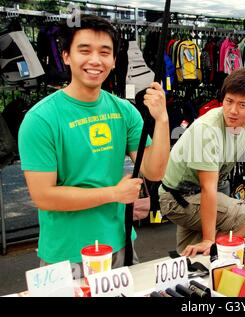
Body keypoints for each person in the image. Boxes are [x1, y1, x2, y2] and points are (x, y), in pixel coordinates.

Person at [18, 15, 170, 269]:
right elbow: (44, 196)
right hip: (67, 253)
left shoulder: (125, 111)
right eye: (84, 50)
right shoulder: (40, 119)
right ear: (66, 56)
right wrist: (113, 194)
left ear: (113, 60)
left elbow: (154, 171)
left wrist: (162, 120)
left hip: (120, 243)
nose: (95, 60)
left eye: (105, 52)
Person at [159, 68, 245, 257]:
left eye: (242, 105)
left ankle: (198, 261)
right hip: (177, 198)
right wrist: (209, 241)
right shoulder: (207, 129)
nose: (233, 110)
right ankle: (213, 250)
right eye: (229, 101)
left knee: (187, 257)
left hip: (205, 192)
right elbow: (207, 188)